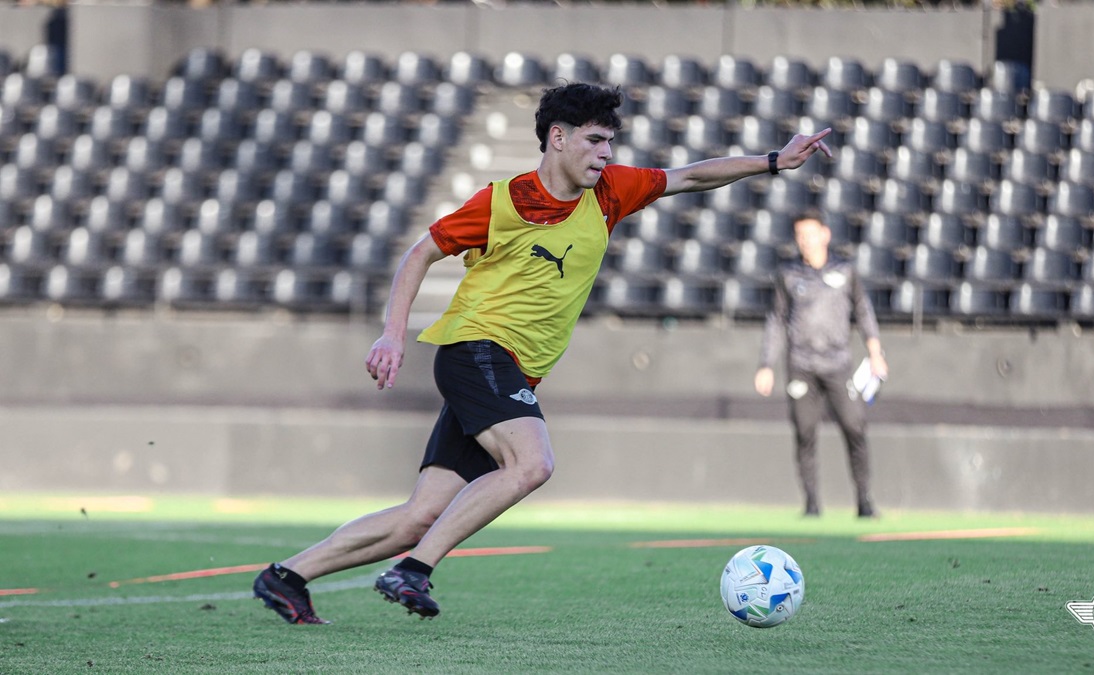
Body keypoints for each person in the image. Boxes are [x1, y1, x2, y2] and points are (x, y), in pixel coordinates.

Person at [252, 82, 833, 624]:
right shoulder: (501, 202)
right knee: (532, 464)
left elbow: (692, 177)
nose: (606, 153)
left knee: (420, 515)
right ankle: (413, 570)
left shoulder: (610, 193)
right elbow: (418, 255)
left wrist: (774, 161)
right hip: (476, 349)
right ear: (558, 137)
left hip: (509, 369)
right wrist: (393, 333)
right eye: (595, 140)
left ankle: (288, 577)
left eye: (611, 142)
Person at [753, 216, 887, 519]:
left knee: (855, 427)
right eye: (800, 235)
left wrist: (875, 350)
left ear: (825, 234)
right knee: (804, 432)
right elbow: (776, 320)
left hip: (838, 364)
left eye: (811, 234)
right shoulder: (788, 274)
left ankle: (864, 501)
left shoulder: (845, 271)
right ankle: (812, 503)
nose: (805, 240)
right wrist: (766, 364)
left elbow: (863, 311)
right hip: (801, 365)